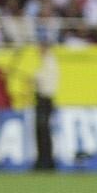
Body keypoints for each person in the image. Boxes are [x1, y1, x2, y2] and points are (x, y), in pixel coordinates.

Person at [33, 39, 59, 170]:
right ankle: (45, 160)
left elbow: (44, 83)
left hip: (44, 99)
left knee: (43, 131)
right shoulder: (48, 62)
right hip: (45, 100)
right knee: (43, 131)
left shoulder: (49, 62)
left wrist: (35, 80)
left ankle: (45, 161)